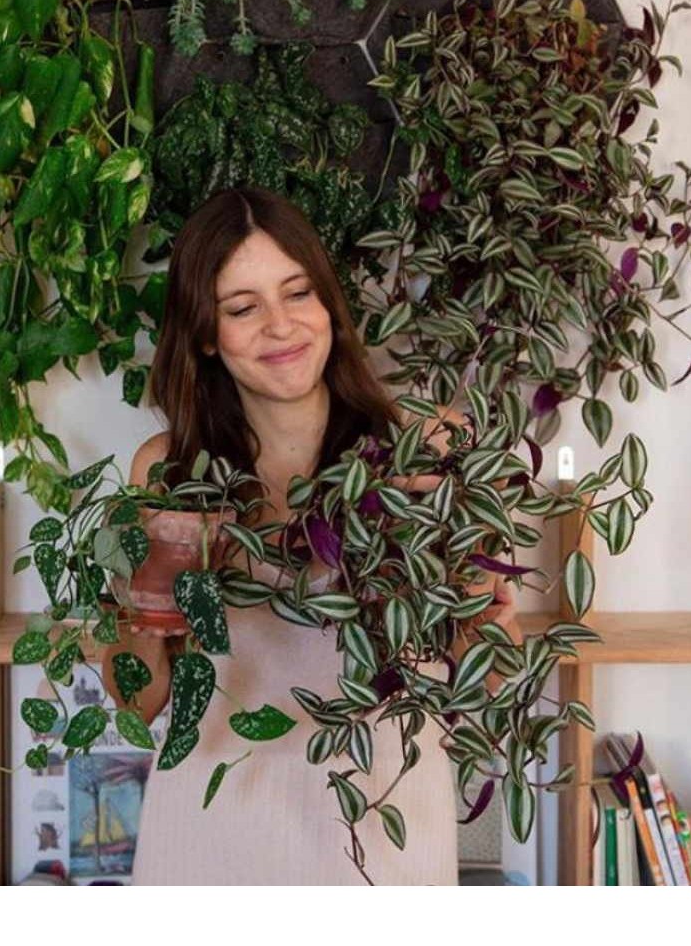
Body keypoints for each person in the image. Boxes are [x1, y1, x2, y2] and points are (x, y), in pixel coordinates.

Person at [106, 185, 520, 885]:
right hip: (215, 822)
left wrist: (486, 615)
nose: (280, 325)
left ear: (328, 303)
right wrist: (150, 593)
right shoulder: (169, 467)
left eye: (297, 293)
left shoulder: (423, 447)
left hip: (381, 829)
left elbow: (485, 676)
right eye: (243, 307)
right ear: (207, 333)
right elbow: (139, 698)